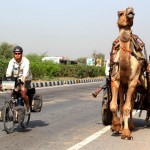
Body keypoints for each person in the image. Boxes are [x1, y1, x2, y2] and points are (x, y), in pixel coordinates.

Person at [6, 46, 32, 114]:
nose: (17, 55)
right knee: (14, 93)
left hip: (26, 77)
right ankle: (12, 112)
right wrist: (6, 83)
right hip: (16, 77)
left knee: (23, 94)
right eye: (16, 53)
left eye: (19, 53)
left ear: (21, 54)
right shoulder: (12, 61)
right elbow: (8, 73)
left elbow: (24, 74)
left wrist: (22, 86)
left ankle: (28, 107)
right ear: (13, 54)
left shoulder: (26, 61)